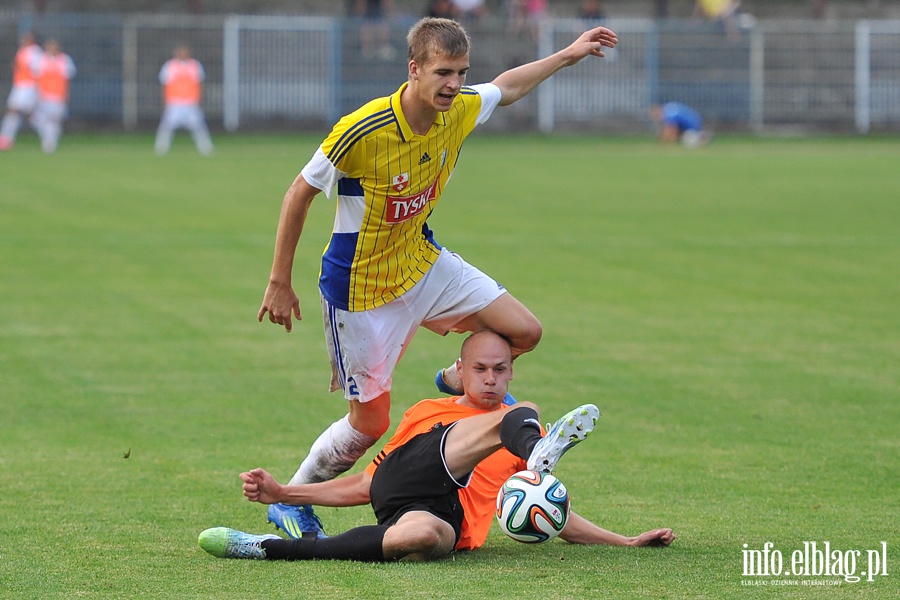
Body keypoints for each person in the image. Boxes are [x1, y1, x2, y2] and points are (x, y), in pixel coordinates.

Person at [256, 17, 618, 539]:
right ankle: (291, 498)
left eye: (461, 72)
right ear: (414, 70)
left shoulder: (460, 108)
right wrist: (278, 280)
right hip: (361, 291)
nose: (454, 84)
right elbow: (300, 193)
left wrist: (568, 54)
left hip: (422, 264)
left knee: (525, 332)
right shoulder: (363, 129)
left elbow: (508, 86)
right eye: (443, 72)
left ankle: (456, 376)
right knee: (370, 427)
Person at [199, 331, 675, 561]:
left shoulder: (511, 418)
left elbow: (550, 512)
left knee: (425, 540)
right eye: (480, 370)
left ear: (511, 371)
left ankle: (268, 549)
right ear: (461, 372)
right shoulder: (428, 410)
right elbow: (370, 483)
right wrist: (286, 492)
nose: (491, 378)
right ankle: (535, 450)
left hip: (440, 516)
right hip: (412, 471)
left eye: (501, 370)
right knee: (514, 415)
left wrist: (627, 540)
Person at [154, 45, 213, 156]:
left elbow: (199, 84)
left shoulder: (195, 65)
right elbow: (165, 84)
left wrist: (199, 99)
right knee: (166, 126)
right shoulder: (169, 66)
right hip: (174, 102)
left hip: (190, 102)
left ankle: (206, 148)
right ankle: (161, 148)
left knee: (199, 126)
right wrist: (165, 100)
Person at [31, 39, 76, 154]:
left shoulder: (65, 60)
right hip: (43, 95)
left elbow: (67, 79)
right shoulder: (40, 59)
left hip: (58, 95)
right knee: (37, 119)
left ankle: (50, 142)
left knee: (54, 120)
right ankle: (47, 138)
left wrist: (66, 95)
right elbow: (36, 78)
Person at [0, 32, 42, 151]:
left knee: (23, 113)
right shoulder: (23, 50)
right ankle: (5, 138)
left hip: (28, 86)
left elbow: (37, 70)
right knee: (13, 111)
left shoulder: (35, 51)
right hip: (19, 85)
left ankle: (47, 131)